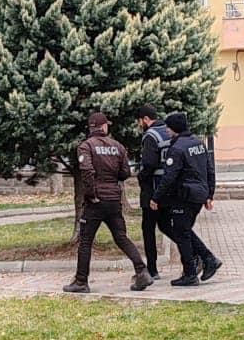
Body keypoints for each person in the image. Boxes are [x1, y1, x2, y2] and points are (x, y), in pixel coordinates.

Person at [63, 110, 151, 293]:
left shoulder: (86, 146)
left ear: (91, 127)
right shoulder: (117, 146)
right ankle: (142, 271)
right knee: (121, 237)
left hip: (95, 201)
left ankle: (81, 281)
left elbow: (86, 170)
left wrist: (91, 194)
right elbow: (125, 173)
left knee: (86, 241)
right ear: (103, 127)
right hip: (113, 199)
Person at [149, 111, 222, 287]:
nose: (166, 130)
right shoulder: (198, 143)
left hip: (184, 195)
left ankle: (193, 270)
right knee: (185, 231)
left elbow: (169, 177)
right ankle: (205, 260)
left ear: (174, 128)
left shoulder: (177, 148)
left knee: (182, 234)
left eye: (168, 127)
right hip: (199, 195)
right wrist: (209, 194)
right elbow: (209, 169)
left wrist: (156, 197)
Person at [135, 104, 172, 281]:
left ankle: (153, 268)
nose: (140, 124)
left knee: (148, 229)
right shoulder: (167, 132)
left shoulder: (150, 136)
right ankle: (195, 255)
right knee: (167, 225)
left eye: (140, 121)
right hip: (167, 187)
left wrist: (140, 176)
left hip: (152, 189)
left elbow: (149, 164)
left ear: (146, 120)